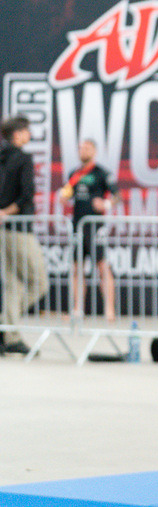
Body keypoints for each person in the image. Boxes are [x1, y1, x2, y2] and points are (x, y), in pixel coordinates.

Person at [0, 116, 48, 355]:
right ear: (17, 134)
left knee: (13, 285)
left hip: (3, 231)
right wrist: (5, 212)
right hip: (17, 229)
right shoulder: (23, 158)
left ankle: (9, 334)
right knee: (39, 281)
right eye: (26, 131)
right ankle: (6, 326)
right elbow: (26, 195)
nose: (29, 134)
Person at [59, 138, 118, 321]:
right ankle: (77, 309)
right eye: (80, 147)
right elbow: (67, 195)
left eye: (87, 147)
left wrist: (106, 203)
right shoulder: (73, 173)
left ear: (94, 150)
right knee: (77, 268)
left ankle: (109, 309)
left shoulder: (102, 173)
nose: (83, 150)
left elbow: (117, 196)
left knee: (102, 266)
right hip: (77, 225)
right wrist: (63, 197)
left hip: (95, 226)